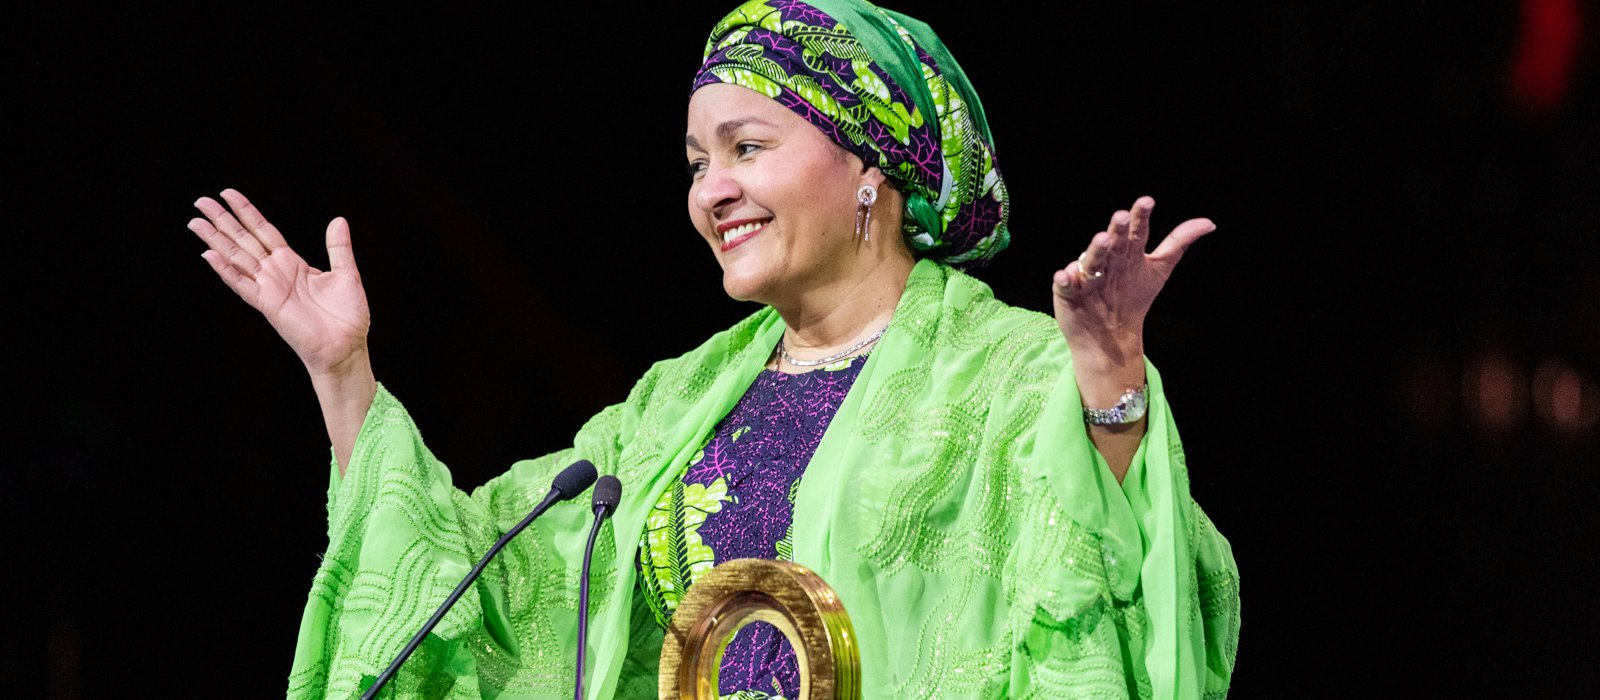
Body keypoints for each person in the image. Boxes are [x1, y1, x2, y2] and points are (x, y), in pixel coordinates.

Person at [187, 0, 1239, 697]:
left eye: (747, 148)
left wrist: (1111, 380)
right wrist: (342, 372)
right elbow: (484, 594)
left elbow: (1116, 591)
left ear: (868, 166)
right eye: (698, 163)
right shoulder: (675, 405)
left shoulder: (1010, 370)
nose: (712, 191)